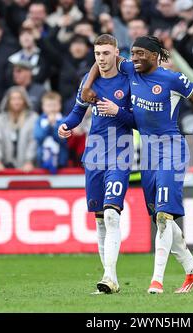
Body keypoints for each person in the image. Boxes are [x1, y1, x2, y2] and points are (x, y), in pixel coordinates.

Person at [81, 36, 193, 294]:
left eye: (140, 53)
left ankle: (156, 281)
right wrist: (88, 86)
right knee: (161, 219)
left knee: (163, 216)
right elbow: (102, 62)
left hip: (173, 149)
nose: (134, 57)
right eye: (132, 53)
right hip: (147, 155)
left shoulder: (172, 79)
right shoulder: (129, 70)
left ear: (154, 55)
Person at [58, 34, 134, 294]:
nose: (101, 58)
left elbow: (143, 119)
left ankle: (109, 277)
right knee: (100, 220)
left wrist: (119, 111)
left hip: (120, 153)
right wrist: (66, 125)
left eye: (106, 53)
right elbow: (78, 112)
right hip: (94, 154)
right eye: (97, 54)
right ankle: (109, 279)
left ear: (116, 53)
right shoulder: (89, 81)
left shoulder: (130, 80)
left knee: (112, 213)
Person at [34, 91, 68, 173]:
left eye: (55, 105)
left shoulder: (64, 120)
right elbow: (38, 138)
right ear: (43, 107)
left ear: (60, 106)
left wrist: (54, 126)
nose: (52, 108)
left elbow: (63, 140)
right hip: (42, 159)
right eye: (49, 106)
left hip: (60, 161)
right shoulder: (39, 120)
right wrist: (48, 126)